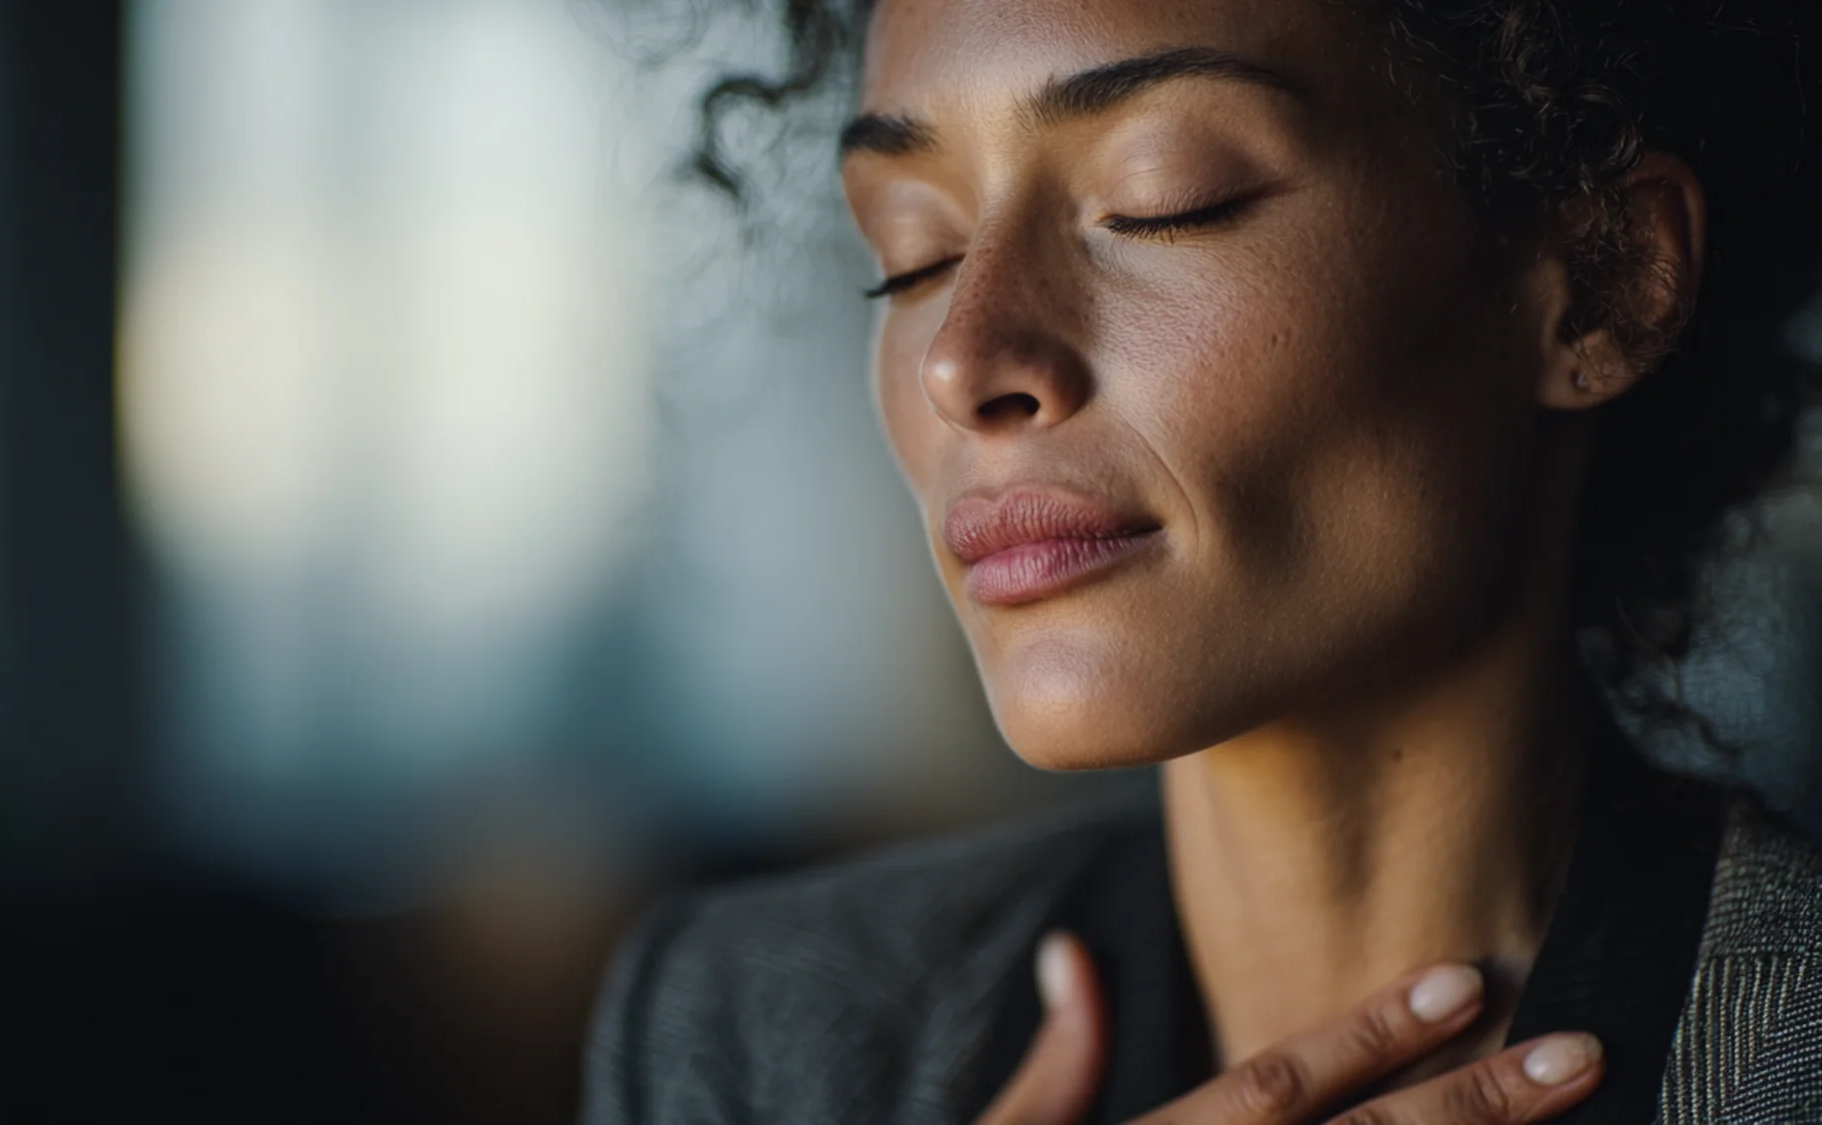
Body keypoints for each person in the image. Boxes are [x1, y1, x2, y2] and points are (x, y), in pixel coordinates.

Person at [583, 0, 1822, 1121]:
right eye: (915, 251)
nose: (962, 359)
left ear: (1603, 282)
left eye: (1162, 196)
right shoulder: (749, 1034)